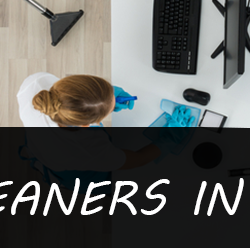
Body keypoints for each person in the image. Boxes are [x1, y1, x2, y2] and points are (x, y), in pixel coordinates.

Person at [17, 72, 162, 174]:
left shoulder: (36, 83)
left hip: (38, 142)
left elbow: (73, 95)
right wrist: (170, 137)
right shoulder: (90, 149)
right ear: (86, 125)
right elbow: (138, 159)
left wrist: (103, 102)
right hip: (65, 168)